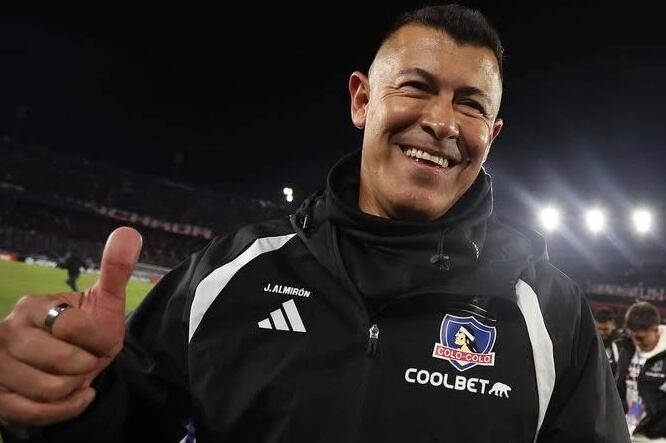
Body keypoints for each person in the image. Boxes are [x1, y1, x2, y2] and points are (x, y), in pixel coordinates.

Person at [0, 5, 629, 442]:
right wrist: (60, 401)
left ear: (492, 134)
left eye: (470, 104)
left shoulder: (547, 312)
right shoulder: (231, 273)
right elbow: (118, 428)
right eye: (416, 88)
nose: (442, 122)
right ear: (362, 99)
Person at [614, 302, 666, 441]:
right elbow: (619, 387)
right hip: (627, 429)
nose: (636, 342)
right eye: (633, 336)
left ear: (655, 329)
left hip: (656, 437)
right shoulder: (627, 348)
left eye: (641, 337)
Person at [594, 306, 623, 372]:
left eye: (605, 329)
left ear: (613, 325)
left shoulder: (620, 343)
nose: (601, 332)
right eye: (598, 329)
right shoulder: (590, 341)